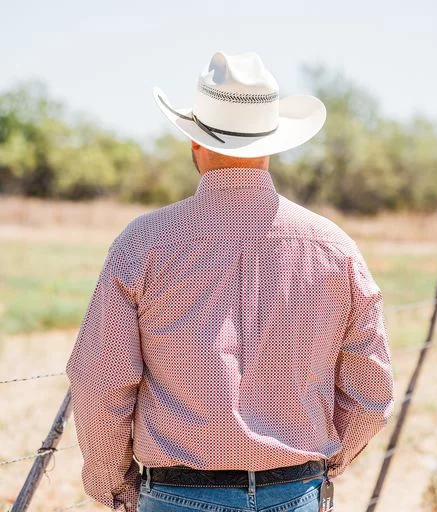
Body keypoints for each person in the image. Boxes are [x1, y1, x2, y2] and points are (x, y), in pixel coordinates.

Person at [65, 51, 395, 512]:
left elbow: (101, 382)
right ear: (272, 143)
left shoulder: (143, 243)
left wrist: (113, 483)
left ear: (194, 143)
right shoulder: (335, 249)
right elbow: (372, 392)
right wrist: (322, 464)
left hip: (179, 493)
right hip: (296, 491)